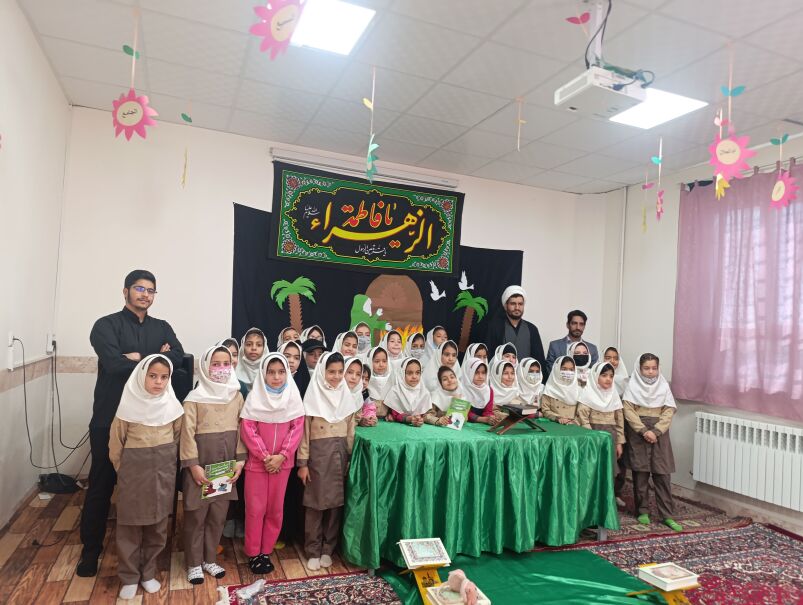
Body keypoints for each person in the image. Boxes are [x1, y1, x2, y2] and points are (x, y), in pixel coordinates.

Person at [77, 270, 184, 577]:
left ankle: (149, 552)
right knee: (101, 483)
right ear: (125, 291)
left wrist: (137, 357)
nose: (145, 294)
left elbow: (178, 357)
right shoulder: (105, 325)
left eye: (151, 290)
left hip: (151, 425)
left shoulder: (162, 326)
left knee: (151, 486)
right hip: (110, 418)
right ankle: (91, 550)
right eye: (139, 288)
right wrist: (155, 357)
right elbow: (113, 365)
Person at [108, 354, 184, 599]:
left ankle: (148, 573)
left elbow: (178, 439)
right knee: (130, 527)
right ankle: (129, 576)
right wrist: (125, 471)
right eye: (153, 376)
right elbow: (115, 446)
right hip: (133, 475)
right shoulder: (126, 409)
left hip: (162, 474)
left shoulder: (173, 408)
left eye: (164, 377)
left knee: (158, 526)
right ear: (142, 376)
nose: (158, 382)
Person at [180, 346, 246, 584]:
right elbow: (187, 435)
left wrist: (240, 461)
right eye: (215, 364)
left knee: (217, 516)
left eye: (225, 363)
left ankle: (209, 559)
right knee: (196, 517)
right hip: (200, 469)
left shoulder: (236, 396)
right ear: (205, 367)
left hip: (225, 468)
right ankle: (193, 563)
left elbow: (242, 430)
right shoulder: (193, 399)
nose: (221, 369)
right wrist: (193, 465)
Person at [240, 354, 305, 573]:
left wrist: (282, 456)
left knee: (275, 510)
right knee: (255, 509)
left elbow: (297, 428)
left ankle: (265, 550)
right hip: (257, 465)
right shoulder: (254, 398)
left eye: (281, 372)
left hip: (282, 465)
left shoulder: (293, 398)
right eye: (271, 372)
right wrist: (265, 456)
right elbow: (248, 429)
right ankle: (253, 553)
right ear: (263, 374)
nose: (276, 377)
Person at [298, 352, 361, 571]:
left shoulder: (347, 398)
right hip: (317, 460)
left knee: (335, 506)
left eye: (340, 372)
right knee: (315, 506)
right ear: (322, 372)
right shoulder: (312, 397)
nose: (336, 376)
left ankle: (328, 548)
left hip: (339, 457)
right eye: (331, 371)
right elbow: (304, 435)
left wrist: (350, 459)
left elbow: (351, 433)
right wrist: (302, 464)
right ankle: (313, 549)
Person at [622, 354, 682, 531]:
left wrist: (656, 431)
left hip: (659, 435)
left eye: (654, 368)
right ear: (639, 369)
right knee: (640, 474)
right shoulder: (632, 386)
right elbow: (628, 410)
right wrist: (643, 430)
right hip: (638, 433)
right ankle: (643, 511)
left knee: (662, 475)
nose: (650, 372)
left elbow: (669, 410)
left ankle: (667, 515)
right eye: (646, 368)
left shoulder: (663, 386)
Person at [576, 362, 626, 505]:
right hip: (592, 438)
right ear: (595, 376)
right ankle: (591, 503)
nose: (608, 379)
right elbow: (583, 419)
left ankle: (607, 503)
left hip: (610, 439)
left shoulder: (614, 396)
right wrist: (593, 438)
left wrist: (619, 443)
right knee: (592, 470)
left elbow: (619, 422)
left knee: (609, 469)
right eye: (604, 375)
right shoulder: (587, 395)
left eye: (611, 376)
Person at [485, 286, 546, 372]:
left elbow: (539, 360)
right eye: (513, 304)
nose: (517, 307)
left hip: (526, 377)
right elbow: (488, 356)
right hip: (503, 376)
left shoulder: (532, 329)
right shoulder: (495, 327)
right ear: (505, 306)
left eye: (520, 304)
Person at [385, 358, 429, 426]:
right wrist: (409, 419)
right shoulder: (395, 391)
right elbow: (395, 414)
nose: (414, 376)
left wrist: (419, 419)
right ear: (402, 373)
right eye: (409, 373)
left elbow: (426, 414)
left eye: (417, 373)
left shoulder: (424, 392)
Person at [540, 356, 580, 424]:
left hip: (575, 425)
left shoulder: (579, 389)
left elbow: (582, 412)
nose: (568, 372)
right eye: (564, 369)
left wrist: (575, 421)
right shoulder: (549, 389)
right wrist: (558, 418)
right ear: (557, 369)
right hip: (555, 424)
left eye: (571, 369)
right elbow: (545, 410)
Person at [463, 359, 500, 425]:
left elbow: (488, 411)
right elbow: (462, 411)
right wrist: (481, 419)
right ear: (469, 372)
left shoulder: (488, 390)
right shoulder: (462, 389)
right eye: (476, 372)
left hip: (481, 422)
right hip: (464, 424)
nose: (480, 376)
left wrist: (490, 417)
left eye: (483, 373)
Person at [235, 328, 269, 395]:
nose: (254, 348)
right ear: (243, 346)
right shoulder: (233, 369)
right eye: (249, 344)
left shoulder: (270, 370)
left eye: (259, 345)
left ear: (264, 348)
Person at [366, 346, 392, 419]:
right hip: (369, 418)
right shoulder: (365, 380)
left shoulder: (391, 380)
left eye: (384, 361)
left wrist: (391, 414)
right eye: (377, 361)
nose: (381, 365)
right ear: (370, 362)